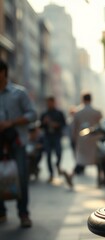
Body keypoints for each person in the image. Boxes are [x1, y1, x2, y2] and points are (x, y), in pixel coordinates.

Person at [0, 59, 37, 228]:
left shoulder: (19, 93)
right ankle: (1, 212)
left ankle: (23, 213)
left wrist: (12, 122)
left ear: (4, 73)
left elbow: (32, 114)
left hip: (18, 143)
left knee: (21, 178)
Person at [67, 92, 102, 187]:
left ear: (82, 99)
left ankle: (71, 175)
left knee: (80, 161)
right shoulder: (97, 112)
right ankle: (100, 180)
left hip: (82, 140)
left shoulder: (77, 112)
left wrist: (74, 139)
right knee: (98, 160)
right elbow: (100, 126)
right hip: (95, 139)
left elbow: (74, 128)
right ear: (91, 99)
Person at [40, 96, 67, 182]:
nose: (49, 104)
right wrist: (44, 122)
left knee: (59, 153)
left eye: (51, 102)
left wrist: (57, 125)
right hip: (47, 136)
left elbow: (64, 124)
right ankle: (51, 174)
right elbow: (40, 126)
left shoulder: (59, 113)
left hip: (56, 136)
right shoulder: (44, 114)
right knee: (48, 155)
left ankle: (57, 165)